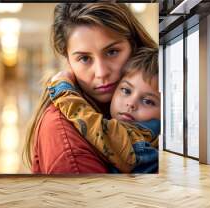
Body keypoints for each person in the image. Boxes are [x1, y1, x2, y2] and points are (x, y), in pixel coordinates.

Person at [23, 3, 158, 174]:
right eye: (85, 58)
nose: (101, 73)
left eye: (112, 52)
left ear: (134, 46)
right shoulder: (65, 135)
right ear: (68, 61)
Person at [47, 48, 159, 173]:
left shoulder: (142, 135)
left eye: (148, 101)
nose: (131, 103)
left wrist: (62, 88)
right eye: (126, 90)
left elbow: (93, 125)